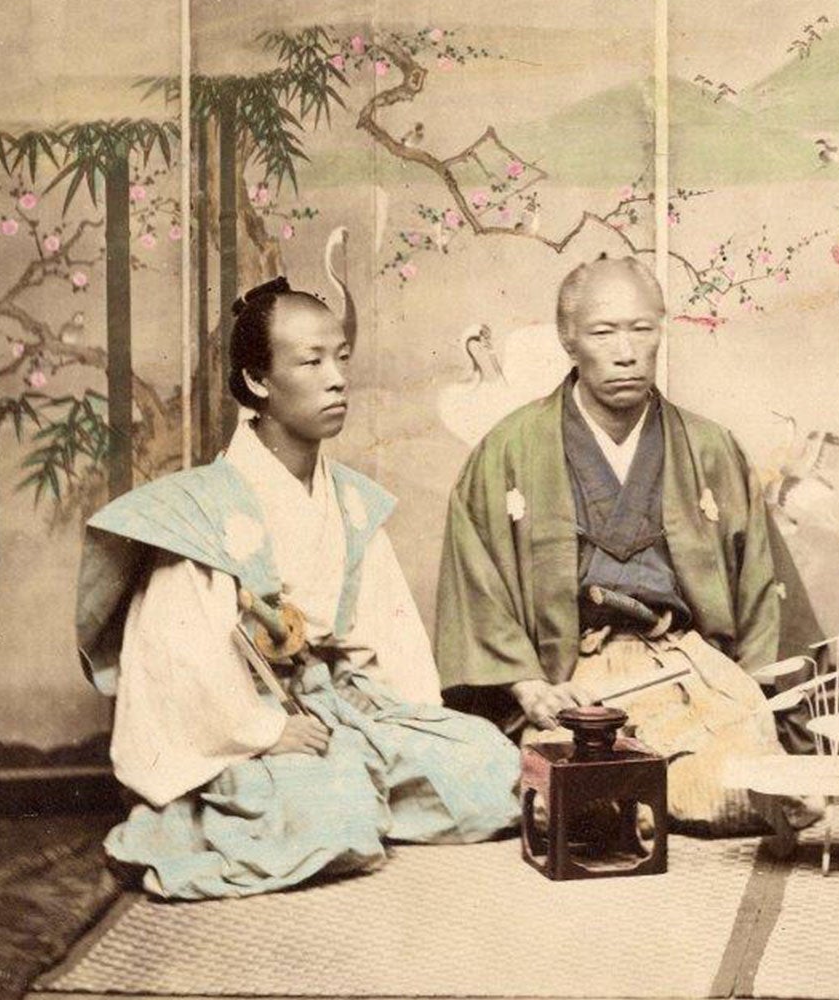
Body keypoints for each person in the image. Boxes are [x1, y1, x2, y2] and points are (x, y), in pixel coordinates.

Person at [75, 278, 522, 900]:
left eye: (341, 357)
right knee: (335, 819)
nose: (337, 378)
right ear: (258, 380)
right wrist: (265, 731)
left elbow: (386, 638)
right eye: (311, 361)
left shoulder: (351, 502)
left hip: (336, 707)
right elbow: (179, 662)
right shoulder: (203, 514)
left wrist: (393, 714)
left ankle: (354, 787)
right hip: (246, 727)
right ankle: (332, 798)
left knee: (490, 766)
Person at [434, 256, 787, 834]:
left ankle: (651, 797)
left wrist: (750, 688)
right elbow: (479, 588)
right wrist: (530, 688)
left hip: (684, 663)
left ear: (660, 331)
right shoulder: (508, 450)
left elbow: (756, 591)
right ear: (568, 341)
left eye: (641, 329)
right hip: (572, 673)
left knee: (748, 792)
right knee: (567, 793)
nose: (626, 350)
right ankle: (628, 798)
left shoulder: (710, 447)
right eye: (603, 332)